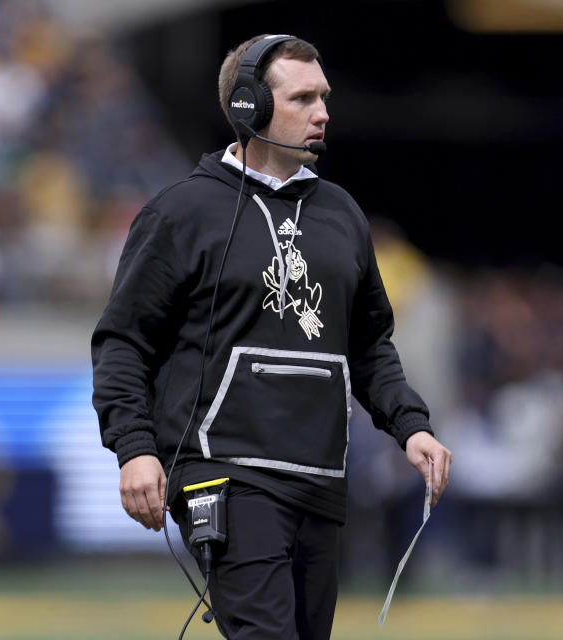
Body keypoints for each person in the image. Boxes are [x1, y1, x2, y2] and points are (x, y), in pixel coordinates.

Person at [91, 34, 452, 639]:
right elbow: (123, 342)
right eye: (304, 98)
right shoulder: (180, 213)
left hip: (319, 477)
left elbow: (369, 346)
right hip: (223, 471)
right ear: (248, 107)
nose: (323, 113)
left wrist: (410, 425)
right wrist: (134, 447)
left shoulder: (344, 216)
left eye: (325, 97)